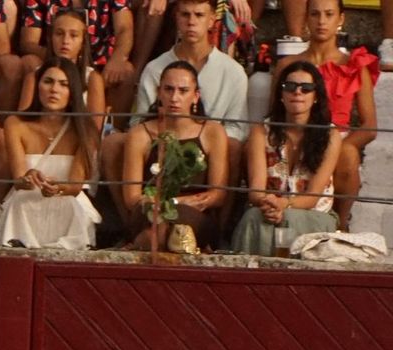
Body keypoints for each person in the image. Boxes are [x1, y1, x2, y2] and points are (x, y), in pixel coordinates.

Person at [107, 0, 245, 219]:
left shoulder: (233, 72)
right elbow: (139, 121)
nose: (191, 22)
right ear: (176, 18)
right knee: (113, 142)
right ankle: (131, 225)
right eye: (185, 15)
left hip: (210, 145)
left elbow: (238, 127)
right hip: (158, 140)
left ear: (211, 20)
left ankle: (219, 230)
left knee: (233, 145)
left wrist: (205, 137)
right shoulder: (155, 68)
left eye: (199, 15)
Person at [273, 0, 375, 229]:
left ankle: (340, 221)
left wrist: (341, 145)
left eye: (329, 15)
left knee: (348, 154)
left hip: (337, 137)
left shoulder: (354, 65)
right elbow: (275, 113)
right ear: (306, 18)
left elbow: (370, 125)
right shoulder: (288, 65)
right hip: (295, 134)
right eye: (315, 14)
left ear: (340, 19)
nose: (321, 21)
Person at [0, 57, 101, 248]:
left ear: (72, 91)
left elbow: (75, 186)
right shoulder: (15, 123)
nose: (54, 90)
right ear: (37, 86)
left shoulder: (85, 129)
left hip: (66, 200)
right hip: (26, 198)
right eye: (48, 82)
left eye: (63, 84)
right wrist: (29, 176)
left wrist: (57, 188)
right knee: (21, 203)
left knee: (71, 206)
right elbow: (18, 179)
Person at [230, 62, 341, 253]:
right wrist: (271, 204)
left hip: (313, 214)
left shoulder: (331, 136)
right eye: (290, 87)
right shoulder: (261, 131)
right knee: (253, 217)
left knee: (288, 219)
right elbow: (255, 190)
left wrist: (285, 205)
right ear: (281, 95)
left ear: (316, 97)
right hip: (269, 209)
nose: (297, 92)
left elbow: (312, 198)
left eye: (306, 88)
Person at [121, 59, 227, 250]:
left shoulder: (212, 132)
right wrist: (161, 205)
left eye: (183, 91)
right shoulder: (139, 134)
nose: (175, 97)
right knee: (158, 229)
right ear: (158, 92)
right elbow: (132, 197)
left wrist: (177, 203)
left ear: (196, 96)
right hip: (149, 211)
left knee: (171, 231)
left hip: (194, 212)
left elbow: (217, 195)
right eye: (169, 89)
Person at [14, 8, 108, 129]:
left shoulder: (92, 78)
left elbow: (95, 128)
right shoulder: (34, 76)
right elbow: (22, 124)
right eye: (59, 34)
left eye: (73, 35)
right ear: (50, 38)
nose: (65, 41)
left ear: (83, 43)